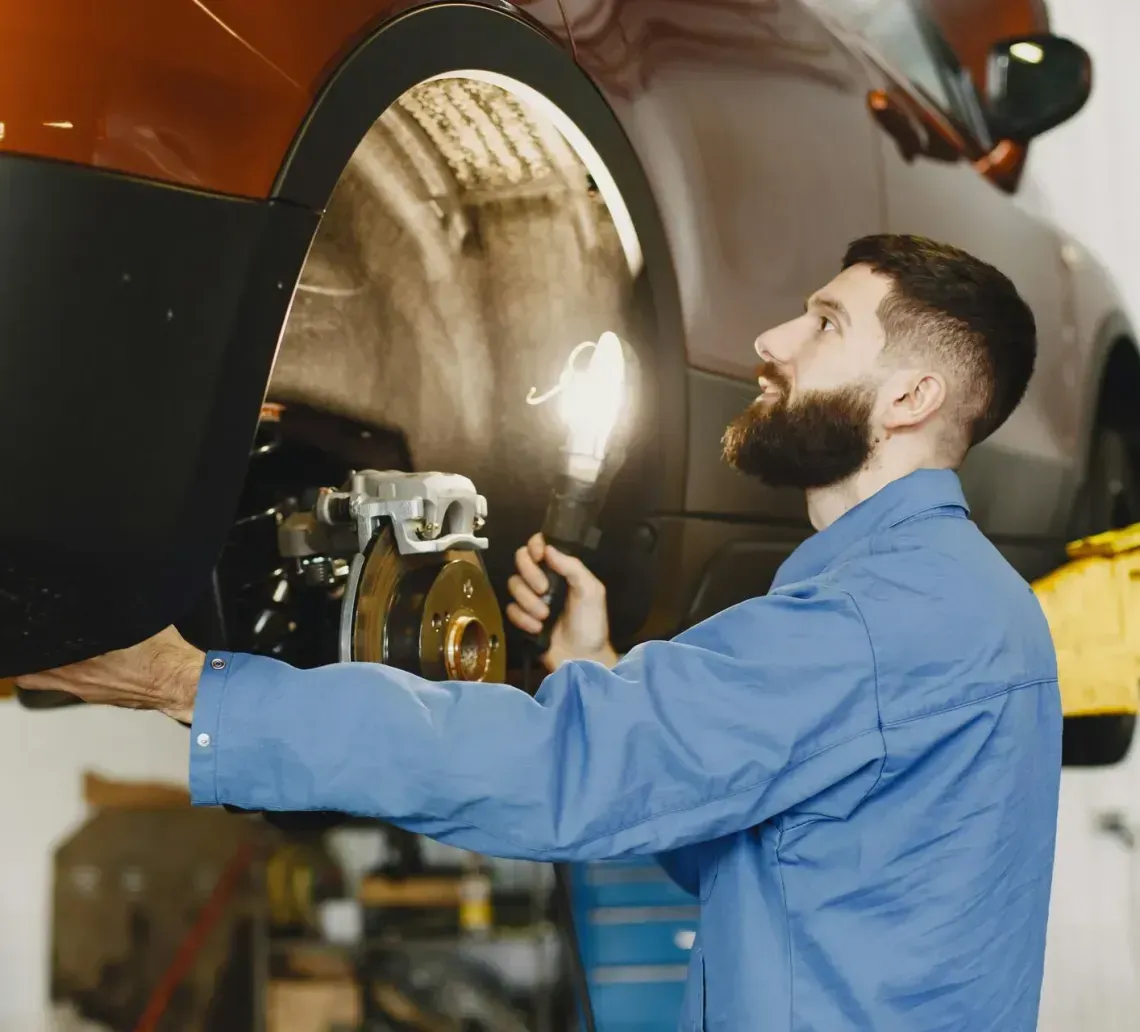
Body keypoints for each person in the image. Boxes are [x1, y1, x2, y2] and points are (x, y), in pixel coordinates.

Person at [19, 235, 1060, 1031]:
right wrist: (600, 670)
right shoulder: (949, 604)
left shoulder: (879, 622)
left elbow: (567, 771)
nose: (771, 342)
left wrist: (192, 685)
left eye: (826, 324)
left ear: (911, 396)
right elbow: (762, 850)